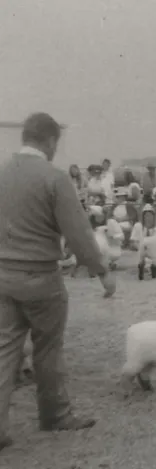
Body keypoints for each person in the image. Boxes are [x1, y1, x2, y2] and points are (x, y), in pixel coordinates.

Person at [0, 112, 116, 451]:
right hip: (40, 276)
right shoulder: (55, 178)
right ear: (50, 141)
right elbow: (78, 232)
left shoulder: (3, 173)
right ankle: (55, 414)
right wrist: (102, 272)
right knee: (48, 349)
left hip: (3, 275)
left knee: (5, 351)